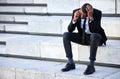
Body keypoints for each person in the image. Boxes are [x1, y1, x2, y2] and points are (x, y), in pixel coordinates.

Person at [61, 3, 107, 75]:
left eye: (83, 16)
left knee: (94, 35)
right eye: (81, 14)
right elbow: (70, 30)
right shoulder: (76, 12)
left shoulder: (97, 13)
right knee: (66, 35)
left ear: (89, 13)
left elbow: (97, 30)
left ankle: (91, 65)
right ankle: (70, 63)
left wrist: (91, 18)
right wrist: (74, 20)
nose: (81, 16)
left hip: (96, 38)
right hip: (83, 37)